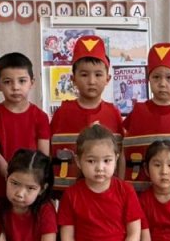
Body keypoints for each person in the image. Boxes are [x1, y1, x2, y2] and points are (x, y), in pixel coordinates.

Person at [122, 43, 170, 192]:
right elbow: (122, 151)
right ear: (148, 78)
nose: (162, 83)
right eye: (156, 77)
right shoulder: (137, 112)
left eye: (169, 77)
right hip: (141, 194)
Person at [50, 35, 125, 192]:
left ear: (108, 78)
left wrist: (120, 188)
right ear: (73, 79)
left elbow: (120, 155)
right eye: (84, 75)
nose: (91, 81)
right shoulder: (62, 113)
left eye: (98, 74)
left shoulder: (113, 113)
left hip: (105, 193)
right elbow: (50, 152)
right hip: (66, 192)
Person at [0, 52, 51, 200]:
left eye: (22, 81)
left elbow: (43, 155)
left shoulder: (40, 116)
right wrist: (12, 178)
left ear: (32, 83)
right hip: (2, 188)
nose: (15, 87)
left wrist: (30, 180)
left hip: (32, 188)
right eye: (7, 82)